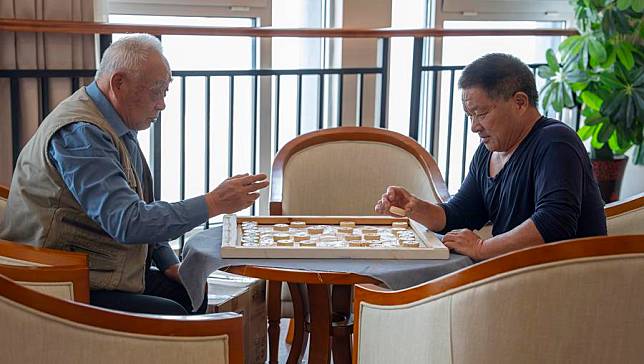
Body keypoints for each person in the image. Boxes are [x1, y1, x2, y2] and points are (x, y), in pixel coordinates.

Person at [0, 34, 269, 315]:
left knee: (190, 291)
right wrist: (213, 203)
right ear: (119, 83)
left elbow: (139, 207)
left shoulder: (113, 123)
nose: (162, 104)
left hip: (99, 269)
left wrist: (168, 263)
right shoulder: (83, 133)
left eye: (166, 92)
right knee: (175, 314)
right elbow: (127, 222)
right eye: (156, 91)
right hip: (57, 282)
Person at [375, 53, 606, 260]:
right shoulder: (488, 153)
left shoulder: (555, 142)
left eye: (482, 113)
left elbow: (555, 222)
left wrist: (482, 248)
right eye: (469, 116)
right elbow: (460, 215)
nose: (475, 127)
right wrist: (415, 208)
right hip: (516, 276)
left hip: (566, 280)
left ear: (520, 103)